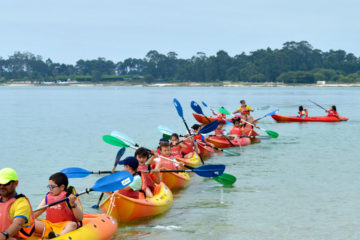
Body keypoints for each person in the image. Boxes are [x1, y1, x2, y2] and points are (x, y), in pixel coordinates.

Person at [34, 172, 83, 239]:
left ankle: (58, 236)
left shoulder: (70, 197)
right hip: (50, 226)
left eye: (53, 187)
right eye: (49, 186)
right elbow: (35, 214)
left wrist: (72, 204)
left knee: (72, 225)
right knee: (32, 222)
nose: (50, 189)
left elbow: (80, 218)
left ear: (62, 187)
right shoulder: (48, 197)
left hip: (64, 226)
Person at [0, 168, 35, 240]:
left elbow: (18, 224)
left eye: (6, 184)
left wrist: (3, 236)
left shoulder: (22, 203)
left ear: (16, 183)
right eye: (0, 183)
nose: (1, 186)